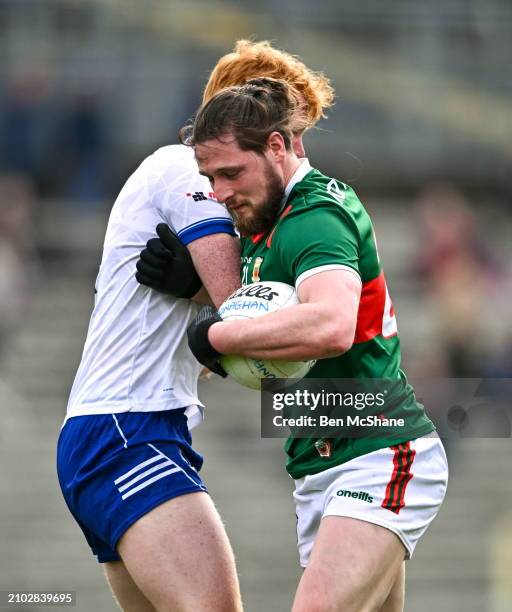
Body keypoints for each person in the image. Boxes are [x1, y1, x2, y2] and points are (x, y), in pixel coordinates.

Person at [146, 78, 448, 612]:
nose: (219, 193)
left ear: (277, 148)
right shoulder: (266, 218)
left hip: (378, 452)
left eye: (231, 173)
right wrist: (193, 288)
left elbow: (331, 326)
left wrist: (213, 334)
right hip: (317, 463)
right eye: (209, 178)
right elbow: (274, 312)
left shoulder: (315, 216)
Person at [57, 41, 334, 612]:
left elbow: (234, 345)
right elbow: (243, 313)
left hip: (128, 427)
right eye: (285, 126)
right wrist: (217, 297)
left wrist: (201, 298)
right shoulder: (185, 171)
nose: (298, 151)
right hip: (125, 429)